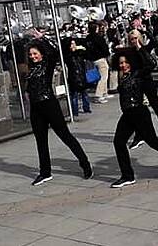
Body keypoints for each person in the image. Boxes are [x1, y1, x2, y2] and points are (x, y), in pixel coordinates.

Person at [109, 47, 158, 188]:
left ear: (132, 62)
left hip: (140, 113)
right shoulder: (123, 76)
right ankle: (127, 176)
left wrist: (139, 48)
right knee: (118, 142)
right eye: (121, 63)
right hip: (127, 115)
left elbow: (151, 64)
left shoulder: (139, 74)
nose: (123, 65)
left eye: (126, 62)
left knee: (153, 142)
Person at [25, 35, 91, 186]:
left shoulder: (47, 64)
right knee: (41, 141)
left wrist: (43, 38)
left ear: (41, 53)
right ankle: (45, 172)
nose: (33, 56)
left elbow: (55, 50)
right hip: (36, 108)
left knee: (65, 136)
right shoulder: (32, 68)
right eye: (30, 54)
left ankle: (85, 163)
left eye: (35, 53)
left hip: (49, 104)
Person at [126, 29, 158, 147]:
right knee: (137, 109)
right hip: (136, 84)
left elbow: (153, 45)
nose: (134, 41)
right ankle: (139, 135)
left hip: (147, 82)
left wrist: (143, 31)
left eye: (136, 38)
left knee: (156, 107)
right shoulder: (130, 52)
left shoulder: (145, 49)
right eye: (131, 39)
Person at [61, 37, 91, 117]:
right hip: (73, 76)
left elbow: (88, 54)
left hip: (81, 75)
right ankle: (75, 111)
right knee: (74, 95)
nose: (74, 45)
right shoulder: (68, 55)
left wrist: (82, 49)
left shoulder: (79, 53)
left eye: (74, 43)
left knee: (84, 93)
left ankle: (86, 108)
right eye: (72, 44)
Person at [85, 21, 111, 103]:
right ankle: (99, 95)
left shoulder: (87, 38)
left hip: (92, 59)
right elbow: (104, 48)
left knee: (102, 76)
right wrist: (107, 53)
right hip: (100, 58)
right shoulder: (99, 38)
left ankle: (104, 93)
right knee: (103, 77)